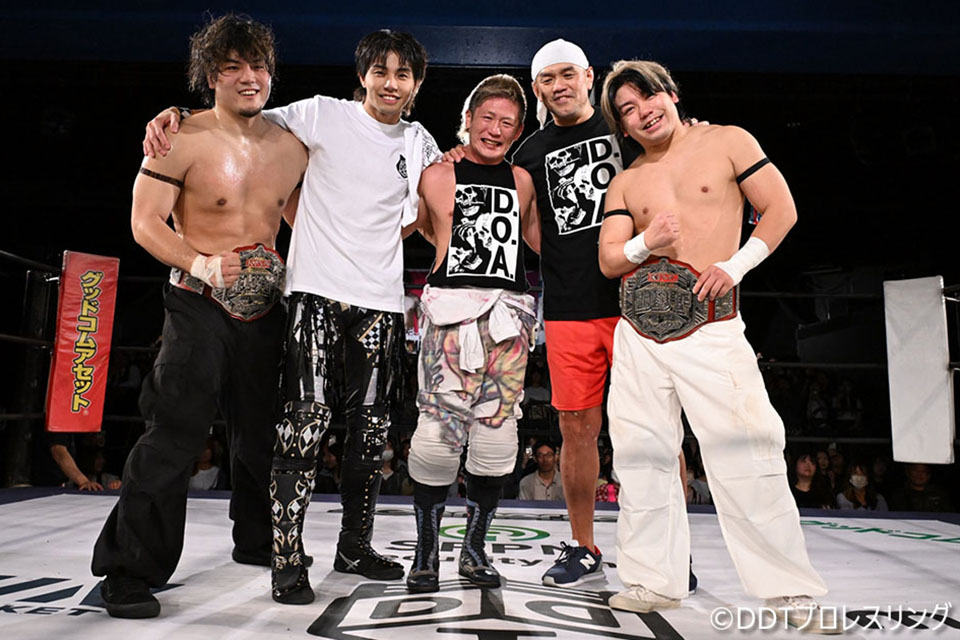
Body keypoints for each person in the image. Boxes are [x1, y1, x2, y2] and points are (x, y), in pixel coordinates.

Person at [144, 29, 441, 605]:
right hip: (314, 294)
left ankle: (354, 545)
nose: (390, 83)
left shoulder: (420, 141)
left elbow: (429, 208)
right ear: (362, 76)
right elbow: (238, 117)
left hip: (381, 301)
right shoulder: (319, 114)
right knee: (303, 424)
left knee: (372, 432)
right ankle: (284, 557)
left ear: (417, 83)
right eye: (380, 71)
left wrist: (374, 235)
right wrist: (175, 112)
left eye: (402, 74)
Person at [597, 60, 836, 633]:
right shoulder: (626, 181)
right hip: (638, 335)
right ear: (622, 127)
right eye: (627, 110)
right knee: (641, 458)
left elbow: (782, 209)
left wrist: (735, 266)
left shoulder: (728, 141)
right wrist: (646, 243)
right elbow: (609, 260)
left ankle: (788, 590)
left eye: (648, 97)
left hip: (711, 323)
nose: (642, 112)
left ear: (672, 94)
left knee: (747, 451)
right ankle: (652, 579)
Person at [446, 40, 694, 589]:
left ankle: (673, 550)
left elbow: (674, 158)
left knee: (657, 429)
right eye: (546, 79)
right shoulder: (529, 152)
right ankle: (584, 545)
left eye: (566, 74)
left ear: (587, 76)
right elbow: (528, 226)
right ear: (537, 89)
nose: (558, 86)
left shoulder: (624, 127)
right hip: (569, 309)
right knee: (576, 429)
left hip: (637, 303)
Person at [95, 14, 307, 619]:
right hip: (196, 302)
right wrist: (202, 263)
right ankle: (130, 567)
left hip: (266, 309)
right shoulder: (180, 137)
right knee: (175, 431)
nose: (249, 77)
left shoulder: (292, 145)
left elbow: (312, 220)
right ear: (210, 75)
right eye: (233, 67)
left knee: (262, 434)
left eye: (258, 65)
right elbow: (144, 223)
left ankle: (258, 538)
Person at [405, 74, 538, 594]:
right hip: (449, 319)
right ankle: (426, 552)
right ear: (468, 119)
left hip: (508, 320)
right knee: (435, 440)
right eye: (488, 118)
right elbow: (406, 226)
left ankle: (474, 548)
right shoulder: (436, 175)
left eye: (507, 122)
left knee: (498, 441)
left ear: (518, 130)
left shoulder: (523, 181)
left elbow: (545, 243)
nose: (495, 129)